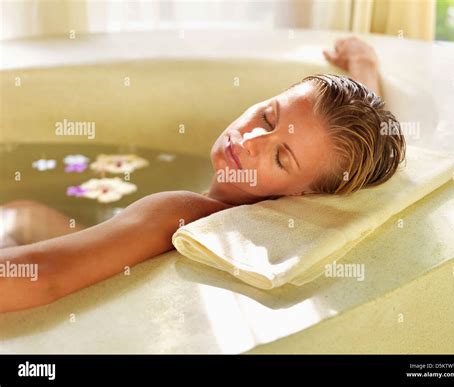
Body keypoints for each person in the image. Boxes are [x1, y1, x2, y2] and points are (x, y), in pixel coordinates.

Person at [0, 37, 405, 312]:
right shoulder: (308, 184)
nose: (251, 140)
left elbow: (46, 278)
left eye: (281, 158)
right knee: (22, 211)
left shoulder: (177, 212)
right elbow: (356, 146)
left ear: (304, 194)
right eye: (268, 115)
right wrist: (364, 68)